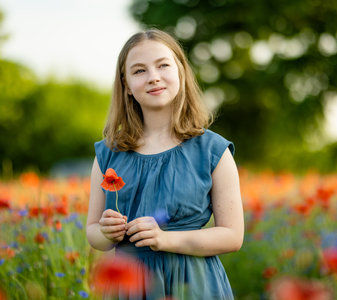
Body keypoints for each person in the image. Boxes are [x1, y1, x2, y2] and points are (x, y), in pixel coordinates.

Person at [86, 28, 244, 300]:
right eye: (139, 71)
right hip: (130, 286)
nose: (154, 77)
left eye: (163, 65)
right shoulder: (109, 153)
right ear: (126, 85)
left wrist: (165, 239)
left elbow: (232, 236)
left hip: (192, 285)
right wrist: (106, 232)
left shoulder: (213, 151)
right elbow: (94, 236)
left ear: (181, 71)